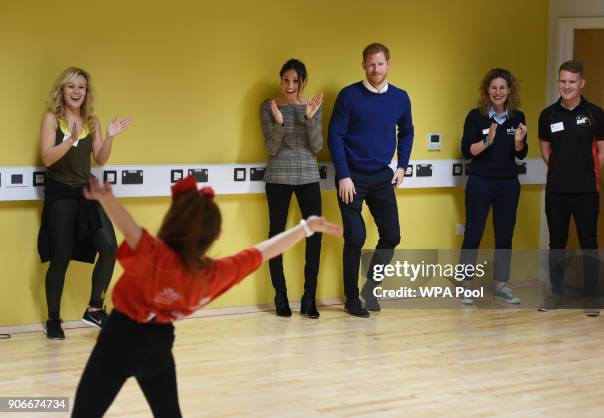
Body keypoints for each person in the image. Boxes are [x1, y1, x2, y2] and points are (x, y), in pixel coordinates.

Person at [70, 176, 341, 417]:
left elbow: (131, 231)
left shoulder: (157, 257)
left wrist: (106, 199)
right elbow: (263, 251)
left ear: (171, 221)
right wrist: (306, 227)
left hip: (120, 340)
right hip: (158, 347)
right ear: (214, 235)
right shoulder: (211, 275)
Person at [37, 67, 131, 340]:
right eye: (71, 87)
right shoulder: (51, 119)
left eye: (81, 87)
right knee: (61, 257)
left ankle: (95, 308)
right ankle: (53, 319)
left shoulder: (92, 120)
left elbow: (100, 159)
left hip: (86, 192)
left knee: (110, 247)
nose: (77, 91)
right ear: (62, 91)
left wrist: (110, 135)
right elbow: (46, 157)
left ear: (86, 92)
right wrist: (71, 141)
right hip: (60, 194)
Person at [328, 42, 414, 317]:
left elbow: (407, 131)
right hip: (351, 176)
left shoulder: (400, 98)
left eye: (380, 63)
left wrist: (402, 166)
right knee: (355, 237)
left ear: (388, 64)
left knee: (391, 235)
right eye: (371, 64)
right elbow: (335, 136)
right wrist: (343, 175)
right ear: (363, 65)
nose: (376, 69)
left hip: (381, 177)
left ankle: (370, 289)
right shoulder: (349, 96)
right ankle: (352, 298)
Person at [537, 60, 604, 316]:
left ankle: (590, 297)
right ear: (559, 82)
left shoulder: (595, 114)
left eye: (571, 81)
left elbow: (602, 152)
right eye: (563, 81)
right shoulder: (548, 115)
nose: (566, 86)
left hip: (587, 190)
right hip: (556, 190)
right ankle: (556, 294)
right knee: (556, 241)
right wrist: (560, 170)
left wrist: (584, 173)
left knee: (588, 241)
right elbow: (546, 150)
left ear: (581, 83)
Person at [259, 58, 324, 318]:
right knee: (277, 235)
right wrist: (279, 123)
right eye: (286, 80)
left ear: (302, 81)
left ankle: (309, 298)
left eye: (295, 81)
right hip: (278, 175)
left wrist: (309, 118)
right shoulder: (269, 106)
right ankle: (281, 296)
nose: (290, 85)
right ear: (281, 79)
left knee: (314, 236)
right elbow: (272, 148)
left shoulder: (313, 106)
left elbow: (317, 146)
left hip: (308, 173)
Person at [458, 68, 528, 305]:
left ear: (509, 91)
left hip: (508, 183)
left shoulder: (518, 117)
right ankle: (465, 285)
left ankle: (501, 285)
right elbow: (467, 151)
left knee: (504, 237)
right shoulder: (475, 117)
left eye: (502, 88)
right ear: (487, 91)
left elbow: (521, 153)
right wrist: (488, 140)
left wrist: (519, 142)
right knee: (473, 234)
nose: (497, 92)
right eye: (493, 87)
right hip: (480, 181)